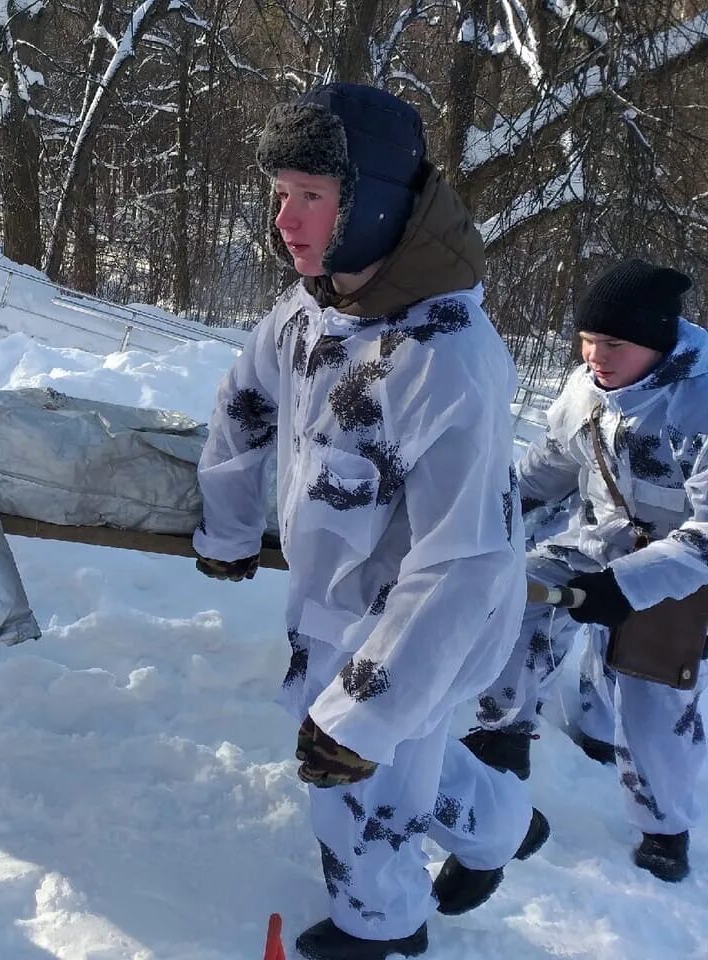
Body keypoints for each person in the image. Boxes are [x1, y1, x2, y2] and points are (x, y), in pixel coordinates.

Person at [194, 83, 545, 959]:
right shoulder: (311, 311)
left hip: (427, 624)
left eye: (311, 195)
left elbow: (464, 559)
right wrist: (229, 531)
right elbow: (242, 407)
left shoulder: (445, 355)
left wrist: (367, 707)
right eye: (279, 192)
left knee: (356, 780)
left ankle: (382, 927)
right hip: (335, 600)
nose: (286, 218)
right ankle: (498, 823)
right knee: (392, 761)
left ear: (373, 198)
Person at [462, 259, 707, 883]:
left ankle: (664, 826)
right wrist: (478, 520)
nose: (595, 355)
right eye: (588, 340)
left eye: (614, 344)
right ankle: (504, 731)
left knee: (651, 693)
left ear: (656, 341)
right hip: (599, 543)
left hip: (680, 571)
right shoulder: (583, 388)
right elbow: (543, 474)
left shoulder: (700, 400)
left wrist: (625, 588)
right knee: (514, 596)